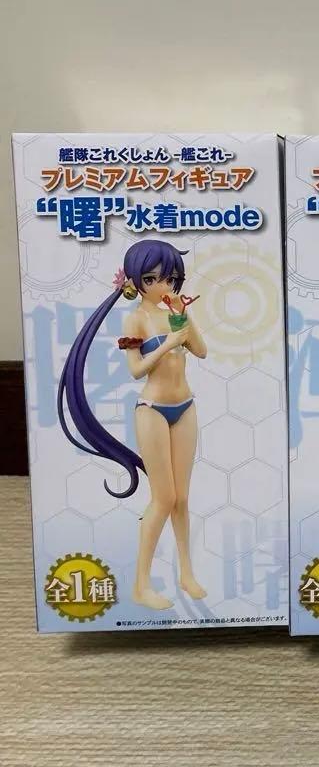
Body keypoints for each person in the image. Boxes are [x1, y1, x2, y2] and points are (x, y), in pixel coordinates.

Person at [58, 239, 208, 609]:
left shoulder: (174, 311)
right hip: (152, 409)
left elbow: (202, 351)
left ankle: (187, 573)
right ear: (135, 281)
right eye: (153, 279)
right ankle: (141, 584)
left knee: (182, 498)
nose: (163, 286)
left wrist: (184, 316)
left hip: (185, 406)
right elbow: (137, 370)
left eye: (170, 278)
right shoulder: (137, 318)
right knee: (164, 498)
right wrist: (167, 343)